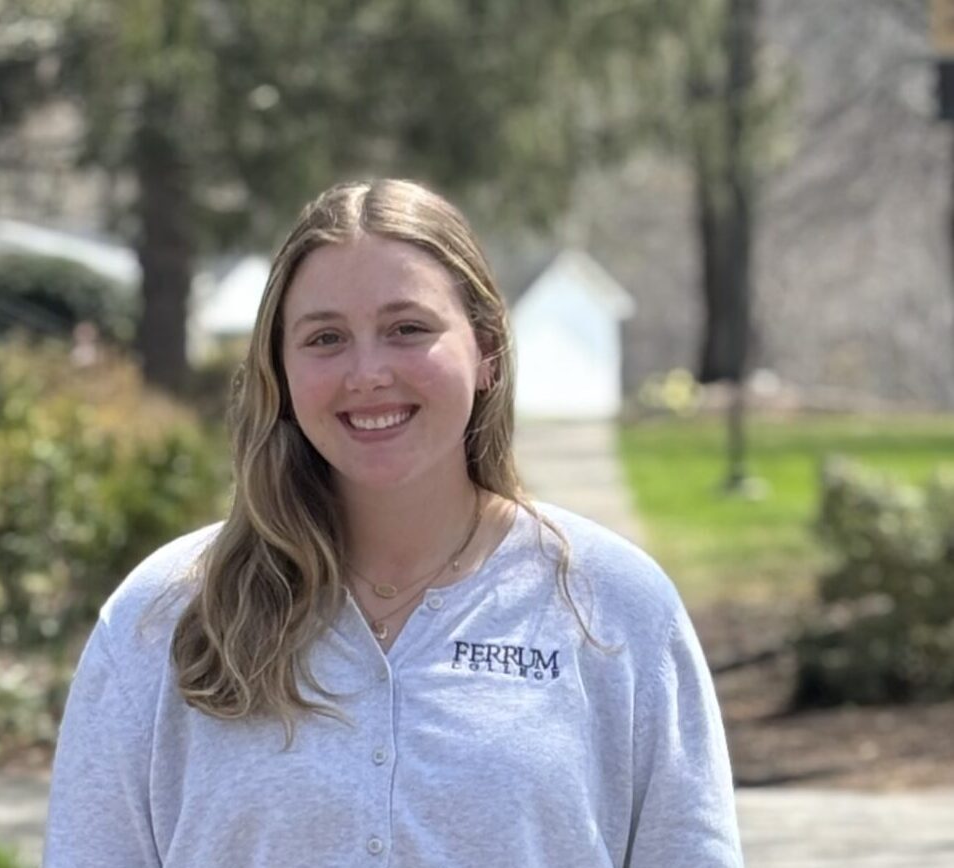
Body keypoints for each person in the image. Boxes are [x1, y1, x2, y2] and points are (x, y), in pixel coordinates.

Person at [43, 179, 743, 867]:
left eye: (408, 329)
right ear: (280, 371)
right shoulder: (160, 615)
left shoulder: (612, 606)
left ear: (487, 351)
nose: (368, 371)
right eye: (325, 339)